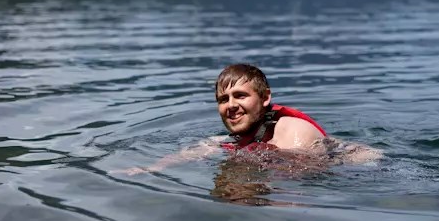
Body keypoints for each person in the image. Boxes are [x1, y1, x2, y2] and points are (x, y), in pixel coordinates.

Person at [119, 64, 377, 176]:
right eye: (223, 99)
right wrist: (150, 169)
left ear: (265, 98)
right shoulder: (245, 135)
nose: (231, 105)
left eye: (240, 95)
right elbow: (198, 150)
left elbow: (299, 183)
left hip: (369, 169)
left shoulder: (291, 129)